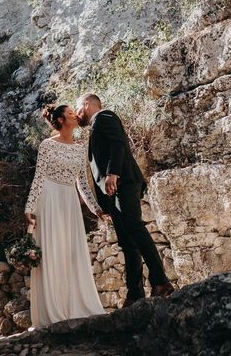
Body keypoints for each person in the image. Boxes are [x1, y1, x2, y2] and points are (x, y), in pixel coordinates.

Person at [75, 93, 175, 307]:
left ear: (86, 105)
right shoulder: (95, 127)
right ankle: (135, 293)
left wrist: (113, 174)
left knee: (135, 228)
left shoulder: (104, 116)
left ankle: (160, 282)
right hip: (114, 191)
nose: (77, 114)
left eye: (78, 109)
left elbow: (118, 144)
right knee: (127, 243)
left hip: (123, 183)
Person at [24, 103, 110, 327]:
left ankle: (75, 306)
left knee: (71, 252)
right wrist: (29, 208)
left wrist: (96, 209)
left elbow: (82, 182)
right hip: (49, 198)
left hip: (70, 200)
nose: (75, 115)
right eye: (71, 113)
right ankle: (53, 311)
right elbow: (39, 177)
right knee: (52, 251)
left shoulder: (80, 146)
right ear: (61, 120)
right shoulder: (47, 146)